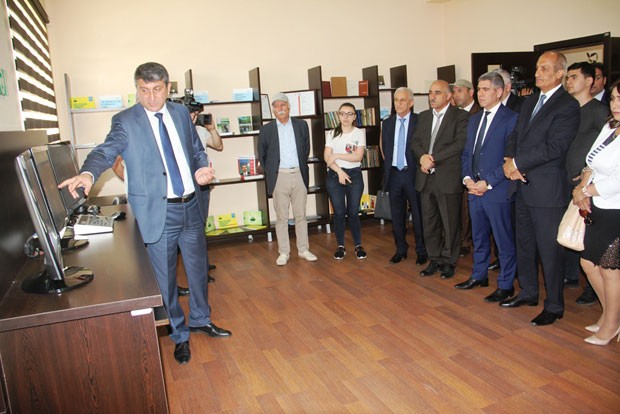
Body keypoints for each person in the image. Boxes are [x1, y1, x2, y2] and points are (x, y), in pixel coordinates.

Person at [59, 62, 231, 365]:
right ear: (136, 89)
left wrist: (201, 167)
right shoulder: (126, 121)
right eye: (144, 90)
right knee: (165, 280)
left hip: (191, 205)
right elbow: (105, 151)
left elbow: (195, 149)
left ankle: (201, 319)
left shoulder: (180, 113)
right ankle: (179, 334)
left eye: (157, 90)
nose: (151, 97)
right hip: (158, 212)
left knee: (198, 270)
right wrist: (87, 173)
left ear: (167, 87)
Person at [501, 51, 580, 326]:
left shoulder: (567, 105)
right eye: (537, 68)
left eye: (545, 68)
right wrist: (509, 160)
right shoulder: (530, 101)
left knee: (549, 251)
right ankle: (528, 292)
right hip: (521, 186)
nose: (537, 73)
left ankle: (554, 305)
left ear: (560, 73)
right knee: (524, 244)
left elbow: (555, 147)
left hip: (547, 191)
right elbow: (515, 135)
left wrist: (518, 163)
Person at [455, 72, 518, 302]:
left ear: (499, 92)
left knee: (503, 240)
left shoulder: (511, 119)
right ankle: (479, 274)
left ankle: (506, 285)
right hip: (474, 189)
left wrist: (488, 182)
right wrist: (467, 179)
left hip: (497, 190)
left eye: (485, 89)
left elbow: (510, 159)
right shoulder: (473, 120)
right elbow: (466, 154)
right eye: (479, 89)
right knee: (479, 237)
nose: (480, 94)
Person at [572, 79, 620, 345]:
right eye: (613, 99)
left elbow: (617, 181)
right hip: (597, 206)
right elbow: (590, 161)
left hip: (615, 210)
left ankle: (611, 325)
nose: (615, 104)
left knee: (610, 269)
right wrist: (581, 186)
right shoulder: (610, 126)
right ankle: (611, 316)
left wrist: (586, 191)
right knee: (589, 263)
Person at [412, 80, 469, 279]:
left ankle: (449, 261)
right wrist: (422, 157)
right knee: (429, 222)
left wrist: (433, 159)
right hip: (425, 177)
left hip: (447, 177)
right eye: (430, 93)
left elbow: (459, 144)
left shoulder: (460, 116)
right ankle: (434, 258)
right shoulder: (424, 116)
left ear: (449, 95)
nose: (432, 97)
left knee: (450, 222)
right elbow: (415, 141)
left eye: (437, 92)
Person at [563, 62, 609, 304]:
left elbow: (605, 150)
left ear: (589, 81)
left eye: (574, 77)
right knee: (571, 230)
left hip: (587, 184)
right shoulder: (568, 109)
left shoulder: (600, 111)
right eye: (567, 77)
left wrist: (584, 176)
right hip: (564, 180)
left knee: (588, 237)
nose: (569, 81)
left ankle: (592, 288)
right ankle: (571, 275)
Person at [257, 93, 317, 266]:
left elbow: (305, 149)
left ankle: (303, 249)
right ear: (273, 110)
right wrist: (272, 172)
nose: (280, 109)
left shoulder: (301, 125)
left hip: (298, 174)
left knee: (301, 215)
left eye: (283, 105)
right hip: (279, 177)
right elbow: (262, 154)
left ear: (288, 107)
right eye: (276, 106)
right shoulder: (266, 130)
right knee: (281, 217)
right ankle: (284, 252)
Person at [380, 87, 427, 265]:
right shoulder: (388, 123)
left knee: (418, 214)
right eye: (396, 100)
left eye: (402, 100)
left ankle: (422, 250)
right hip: (394, 174)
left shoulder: (420, 121)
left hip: (413, 173)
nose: (398, 103)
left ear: (411, 102)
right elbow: (385, 147)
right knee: (397, 215)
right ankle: (401, 249)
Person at [324, 102, 367, 260]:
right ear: (338, 115)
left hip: (354, 175)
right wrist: (339, 171)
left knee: (353, 212)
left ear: (355, 116)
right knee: (339, 212)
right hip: (335, 175)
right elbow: (326, 157)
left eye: (350, 114)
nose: (346, 117)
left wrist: (337, 155)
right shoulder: (332, 133)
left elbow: (358, 157)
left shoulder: (359, 133)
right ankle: (340, 246)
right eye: (343, 113)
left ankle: (358, 245)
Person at [451, 79, 480, 258]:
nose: (456, 95)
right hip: (453, 165)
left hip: (472, 167)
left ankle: (467, 241)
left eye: (459, 91)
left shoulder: (479, 113)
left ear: (471, 92)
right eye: (454, 91)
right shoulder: (453, 114)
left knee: (468, 206)